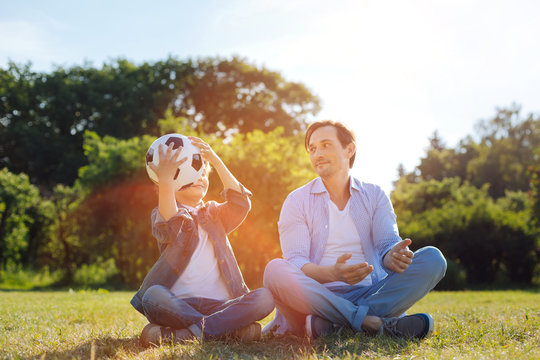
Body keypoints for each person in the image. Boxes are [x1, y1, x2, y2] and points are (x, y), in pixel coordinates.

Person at [263, 120, 447, 340]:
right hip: (316, 296)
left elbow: (386, 244)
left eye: (325, 145)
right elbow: (295, 261)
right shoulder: (297, 201)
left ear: (349, 149)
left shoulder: (375, 195)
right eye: (312, 149)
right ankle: (373, 322)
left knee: (434, 259)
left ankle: (332, 325)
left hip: (370, 292)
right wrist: (332, 273)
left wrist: (392, 257)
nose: (317, 154)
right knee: (275, 269)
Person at [131, 136, 274, 347]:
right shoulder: (164, 214)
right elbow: (172, 226)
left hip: (222, 305)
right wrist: (166, 179)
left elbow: (240, 202)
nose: (199, 178)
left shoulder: (215, 213)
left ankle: (184, 335)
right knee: (153, 296)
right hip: (178, 304)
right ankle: (228, 330)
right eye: (189, 172)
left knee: (265, 298)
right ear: (172, 183)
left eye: (202, 172)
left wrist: (215, 160)